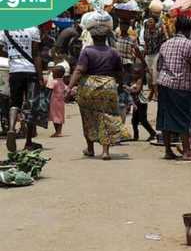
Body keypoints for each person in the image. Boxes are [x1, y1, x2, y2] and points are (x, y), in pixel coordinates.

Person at [66, 25, 130, 160]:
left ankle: (90, 148)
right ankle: (105, 151)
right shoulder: (114, 52)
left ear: (93, 38)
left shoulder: (87, 51)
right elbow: (119, 72)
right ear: (106, 37)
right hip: (108, 86)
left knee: (88, 116)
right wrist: (120, 86)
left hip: (89, 86)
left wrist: (69, 87)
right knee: (106, 116)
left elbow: (79, 70)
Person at [156, 16, 191, 161]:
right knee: (183, 118)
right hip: (180, 86)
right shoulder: (189, 44)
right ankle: (187, 152)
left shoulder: (165, 44)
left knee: (165, 117)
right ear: (188, 30)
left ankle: (168, 150)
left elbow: (158, 66)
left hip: (163, 84)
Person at [0, 27, 44, 152]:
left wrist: (12, 56)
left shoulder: (5, 30)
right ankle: (29, 142)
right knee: (31, 106)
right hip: (31, 72)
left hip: (15, 71)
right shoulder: (33, 29)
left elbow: (1, 51)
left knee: (15, 103)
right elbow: (36, 54)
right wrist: (40, 77)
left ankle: (12, 128)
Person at [112, 19, 142, 123]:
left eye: (125, 24)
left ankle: (122, 119)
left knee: (124, 91)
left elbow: (137, 51)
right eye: (121, 24)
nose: (122, 27)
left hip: (127, 67)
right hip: (116, 67)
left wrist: (143, 62)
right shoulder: (116, 38)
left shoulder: (132, 39)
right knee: (118, 91)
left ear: (128, 26)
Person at [127, 64, 156, 141]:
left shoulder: (140, 80)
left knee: (142, 120)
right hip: (136, 103)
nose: (134, 75)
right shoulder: (133, 80)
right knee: (134, 120)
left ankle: (152, 133)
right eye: (133, 73)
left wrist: (128, 89)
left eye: (137, 73)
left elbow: (137, 90)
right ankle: (136, 136)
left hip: (141, 103)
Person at [142, 17, 166, 100]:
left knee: (155, 75)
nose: (149, 23)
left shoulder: (159, 32)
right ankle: (152, 92)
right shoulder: (146, 32)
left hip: (156, 54)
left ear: (155, 24)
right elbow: (145, 44)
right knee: (149, 75)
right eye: (148, 22)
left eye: (151, 22)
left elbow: (164, 41)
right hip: (148, 55)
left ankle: (156, 94)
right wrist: (143, 55)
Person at [48, 65, 66, 137]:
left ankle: (57, 132)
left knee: (55, 117)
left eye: (53, 73)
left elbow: (49, 89)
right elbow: (66, 89)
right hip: (61, 102)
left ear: (56, 74)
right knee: (60, 116)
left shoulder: (54, 82)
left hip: (54, 102)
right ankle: (59, 131)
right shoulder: (61, 81)